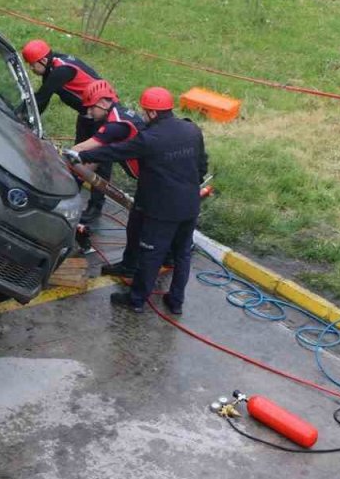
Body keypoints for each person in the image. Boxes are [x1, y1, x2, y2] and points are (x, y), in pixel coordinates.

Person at [66, 87, 208, 315]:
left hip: (161, 209)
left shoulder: (149, 138)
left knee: (151, 253)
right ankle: (176, 301)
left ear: (152, 113)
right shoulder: (191, 129)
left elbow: (115, 152)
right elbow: (202, 165)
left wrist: (81, 156)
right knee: (181, 254)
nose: (143, 115)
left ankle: (137, 299)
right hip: (189, 204)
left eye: (145, 112)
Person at [21, 39, 110, 223]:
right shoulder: (53, 67)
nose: (32, 70)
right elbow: (42, 101)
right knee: (79, 156)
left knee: (100, 161)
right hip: (86, 113)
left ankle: (96, 206)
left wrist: (20, 115)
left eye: (32, 66)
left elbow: (42, 97)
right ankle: (71, 192)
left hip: (103, 117)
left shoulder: (61, 71)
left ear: (43, 61)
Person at [66, 80, 147, 274]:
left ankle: (137, 267)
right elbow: (95, 159)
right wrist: (75, 177)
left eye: (91, 108)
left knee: (144, 223)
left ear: (103, 103)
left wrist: (60, 159)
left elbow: (83, 149)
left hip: (156, 177)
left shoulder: (115, 125)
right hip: (150, 174)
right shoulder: (117, 117)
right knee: (141, 221)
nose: (89, 113)